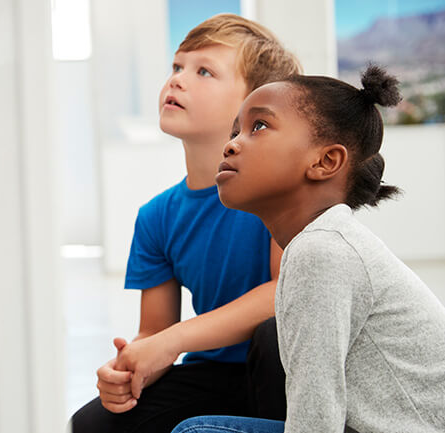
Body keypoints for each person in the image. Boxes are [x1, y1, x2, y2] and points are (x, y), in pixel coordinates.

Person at [171, 66, 445, 433]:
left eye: (260, 127)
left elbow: (317, 419)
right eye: (235, 131)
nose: (231, 143)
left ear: (325, 162)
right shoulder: (322, 242)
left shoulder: (321, 251)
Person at [71, 14, 301, 432]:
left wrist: (171, 341)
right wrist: (130, 367)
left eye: (204, 72)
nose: (177, 80)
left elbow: (282, 295)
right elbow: (154, 330)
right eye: (177, 66)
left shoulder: (279, 193)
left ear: (254, 103)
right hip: (214, 373)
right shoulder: (157, 216)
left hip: (287, 372)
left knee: (272, 334)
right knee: (93, 424)